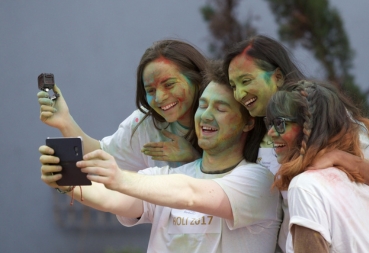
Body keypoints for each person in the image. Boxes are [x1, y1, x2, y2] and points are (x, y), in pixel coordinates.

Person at [39, 60, 281, 253]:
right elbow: (111, 198)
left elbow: (189, 194)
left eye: (220, 108)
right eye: (203, 105)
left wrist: (121, 178)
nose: (205, 115)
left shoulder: (258, 181)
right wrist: (66, 181)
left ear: (249, 122)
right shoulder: (166, 177)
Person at [223, 35, 369, 252]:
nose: (239, 94)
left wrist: (337, 157)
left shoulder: (328, 119)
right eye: (233, 85)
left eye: (246, 81)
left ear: (277, 76)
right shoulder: (252, 131)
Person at [266, 80, 369, 253]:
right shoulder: (368, 182)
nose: (270, 133)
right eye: (269, 124)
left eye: (280, 124)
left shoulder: (305, 186)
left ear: (310, 127)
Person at [37, 39, 206, 175]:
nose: (159, 98)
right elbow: (103, 156)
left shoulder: (224, 116)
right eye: (151, 90)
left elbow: (228, 184)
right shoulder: (144, 123)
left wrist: (193, 157)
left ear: (197, 79)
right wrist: (65, 121)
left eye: (169, 84)